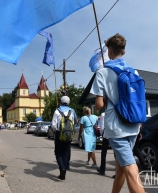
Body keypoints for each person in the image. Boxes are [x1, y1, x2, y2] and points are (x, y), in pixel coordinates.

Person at [90, 33, 145, 193]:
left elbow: (99, 105)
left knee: (129, 167)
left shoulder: (102, 72)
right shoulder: (133, 72)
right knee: (121, 165)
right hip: (134, 124)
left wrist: (108, 97)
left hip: (116, 127)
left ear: (109, 52)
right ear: (124, 52)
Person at [51, 96, 78, 180]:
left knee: (58, 152)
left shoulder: (57, 111)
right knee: (66, 152)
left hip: (59, 134)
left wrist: (55, 131)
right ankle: (65, 168)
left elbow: (53, 125)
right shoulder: (71, 111)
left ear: (61, 102)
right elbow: (74, 122)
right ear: (68, 102)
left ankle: (62, 168)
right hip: (69, 134)